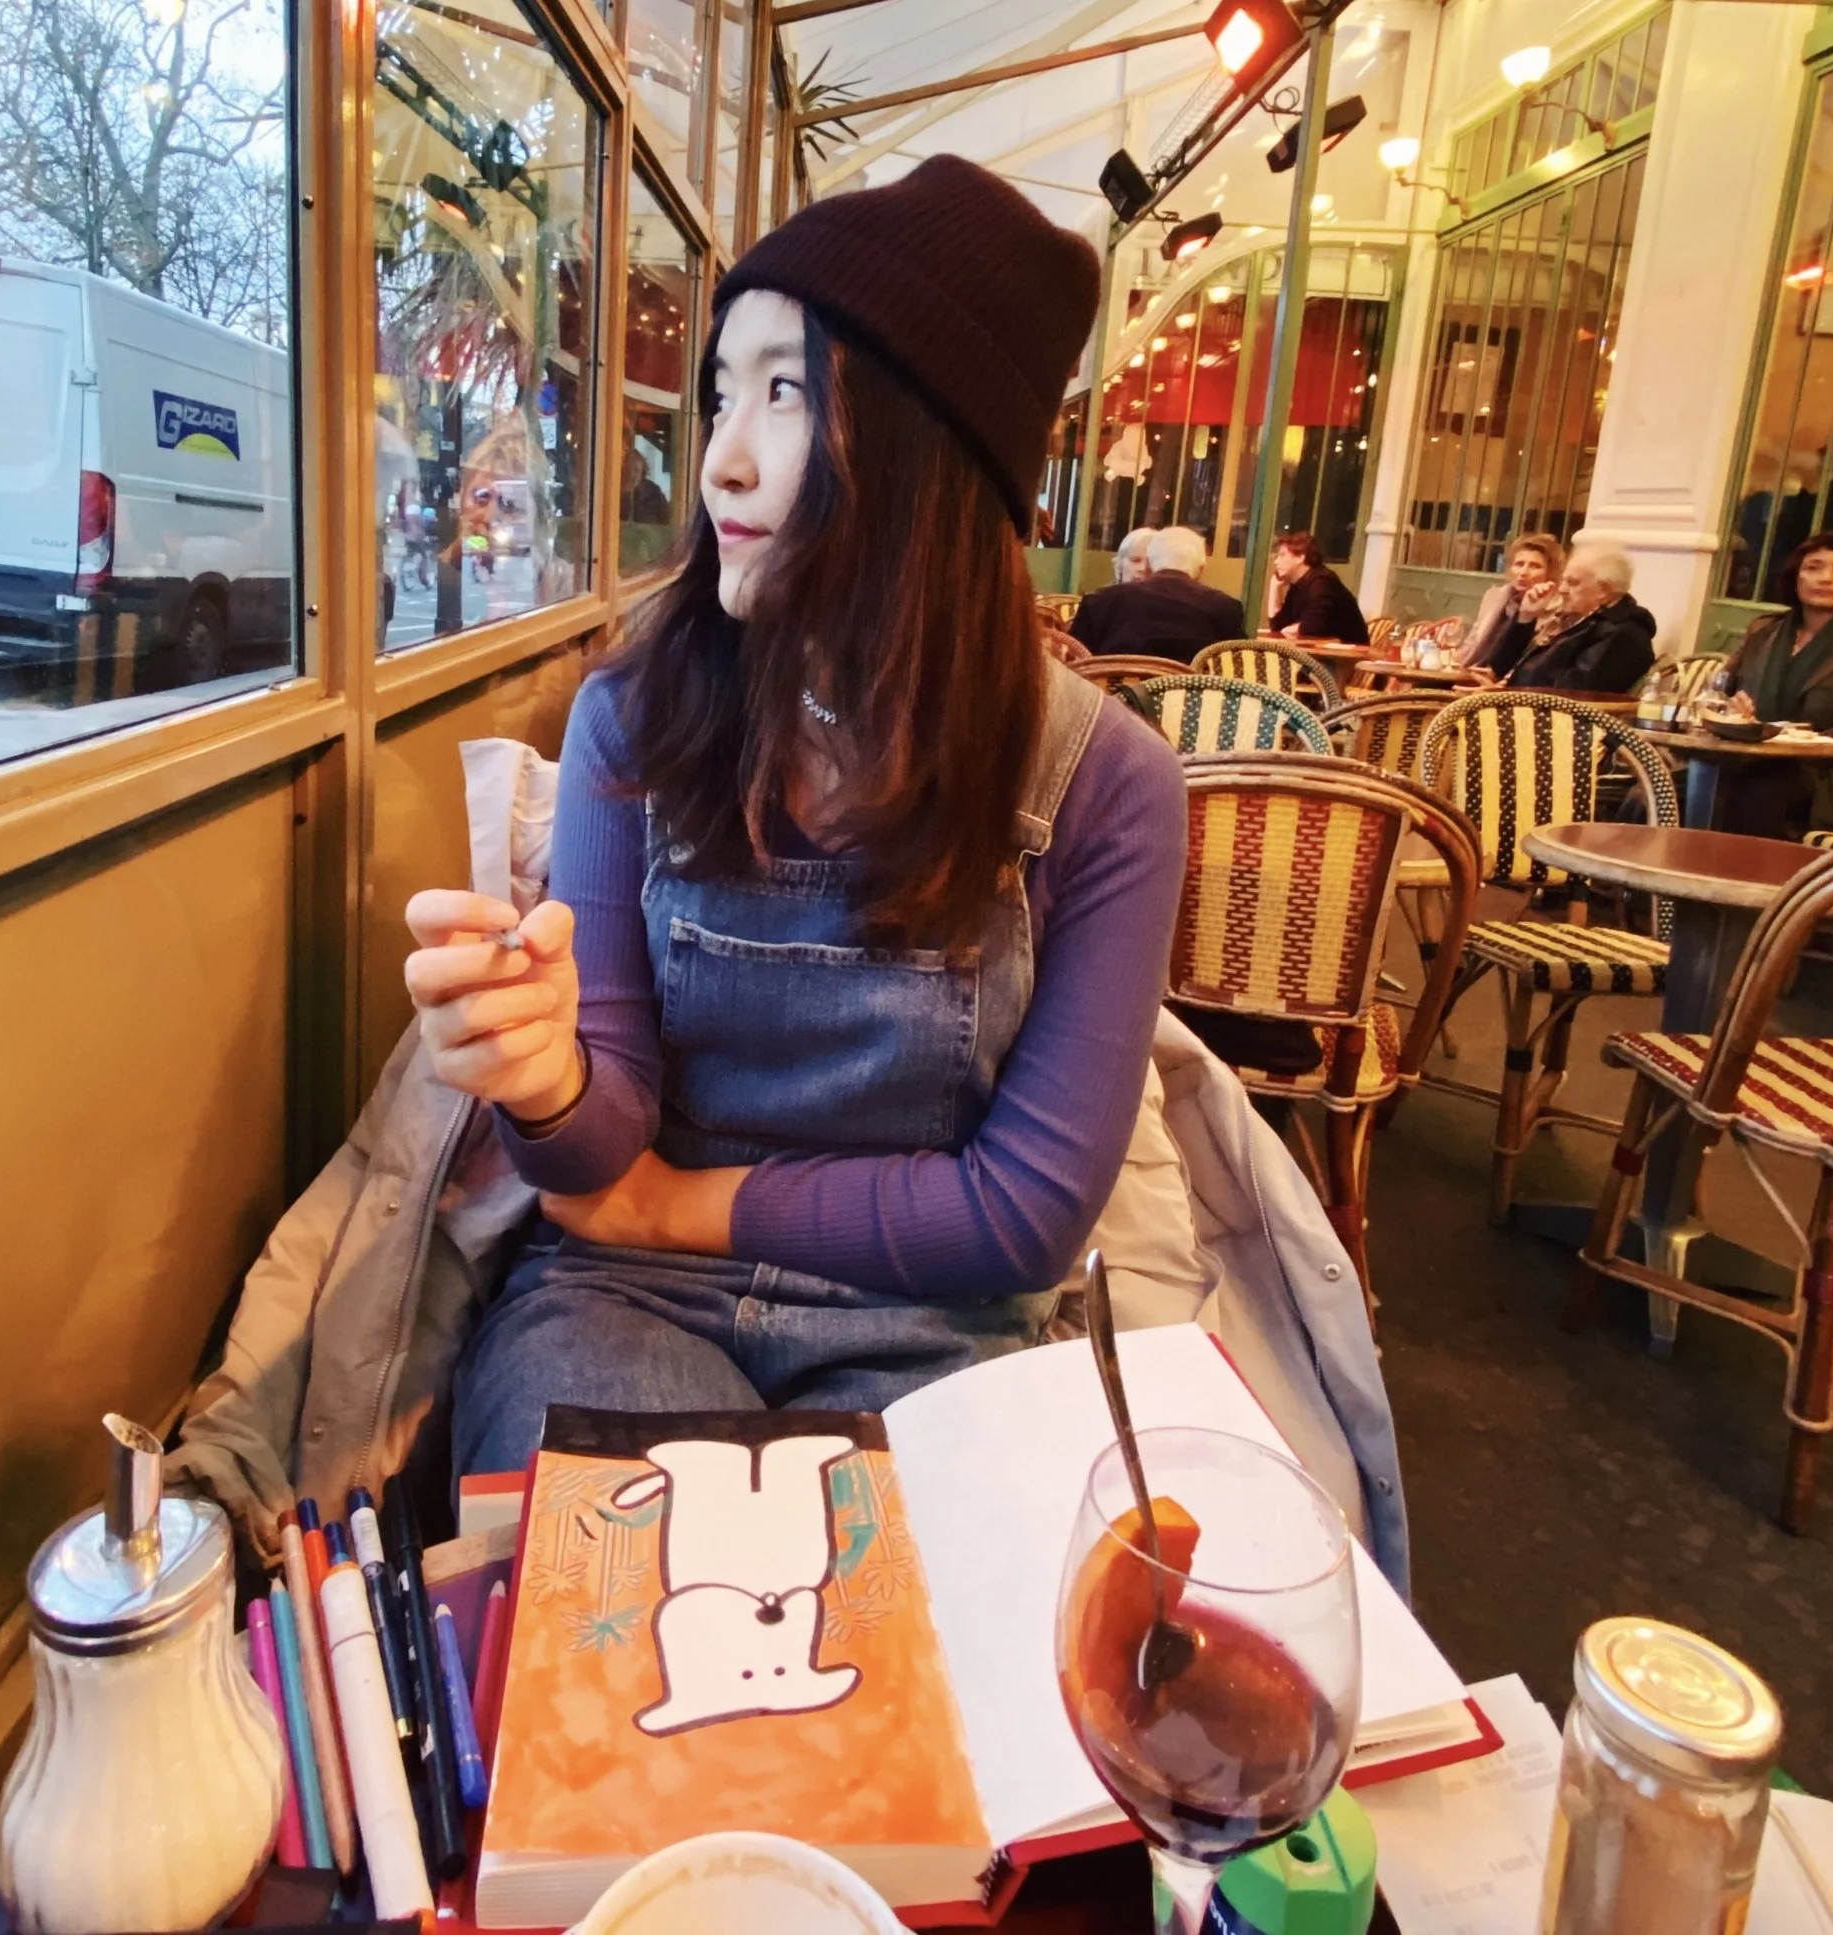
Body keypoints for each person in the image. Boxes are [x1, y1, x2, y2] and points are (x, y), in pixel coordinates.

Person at [400, 156, 1189, 1478]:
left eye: (786, 392)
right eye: (720, 394)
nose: (720, 458)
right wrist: (544, 1083)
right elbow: (599, 1150)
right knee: (629, 1619)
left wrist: (667, 1202)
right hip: (624, 1299)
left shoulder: (1104, 786)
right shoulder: (631, 721)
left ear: (937, 447)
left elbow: (1023, 1217)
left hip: (934, 1328)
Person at [1712, 531, 1833, 837]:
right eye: (1813, 567)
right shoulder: (1765, 631)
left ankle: (1732, 882)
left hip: (1821, 778)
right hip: (1743, 759)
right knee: (1657, 787)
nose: (1825, 578)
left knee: (1751, 795)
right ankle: (1640, 883)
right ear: (1796, 578)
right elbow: (1721, 692)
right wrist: (1732, 711)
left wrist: (1790, 740)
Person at [1479, 544, 1656, 692]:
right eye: (1563, 580)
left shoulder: (1622, 633)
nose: (1562, 589)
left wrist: (1506, 695)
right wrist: (1526, 617)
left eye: (1573, 583)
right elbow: (1498, 668)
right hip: (1523, 712)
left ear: (1603, 590)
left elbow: (1572, 694)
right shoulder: (1580, 619)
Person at [1067, 525, 1245, 660]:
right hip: (1193, 706)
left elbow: (1073, 663)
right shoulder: (1226, 609)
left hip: (1115, 701)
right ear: (1201, 569)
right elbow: (1236, 670)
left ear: (1149, 565)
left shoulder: (1099, 602)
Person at [1457, 533, 1565, 667]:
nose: (1524, 572)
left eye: (1535, 566)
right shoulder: (1495, 596)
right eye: (1519, 564)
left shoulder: (1557, 610)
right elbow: (1472, 642)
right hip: (1473, 671)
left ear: (1550, 573)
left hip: (1510, 681)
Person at [1266, 530, 1369, 642]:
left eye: (1282, 555)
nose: (1276, 562)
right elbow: (1278, 627)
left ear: (1301, 557)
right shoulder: (1297, 586)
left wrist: (1293, 629)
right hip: (1319, 649)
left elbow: (1314, 626)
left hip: (1347, 652)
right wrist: (1274, 588)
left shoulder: (1322, 581)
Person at [622, 446, 672, 527]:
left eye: (636, 470)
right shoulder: (614, 492)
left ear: (642, 471)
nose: (632, 475)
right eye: (629, 470)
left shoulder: (654, 493)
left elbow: (667, 520)